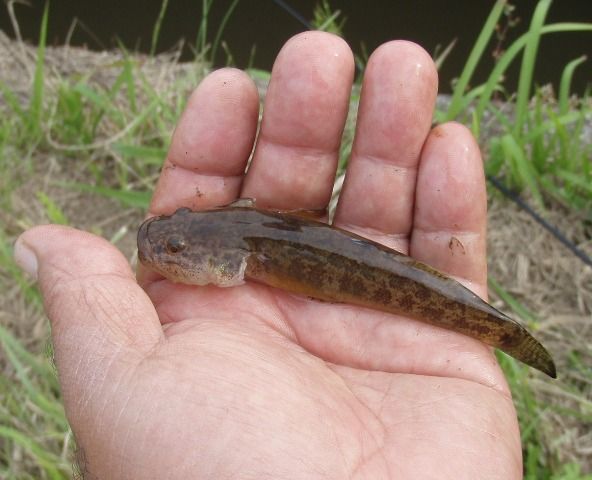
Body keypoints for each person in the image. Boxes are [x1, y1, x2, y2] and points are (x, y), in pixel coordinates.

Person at [14, 32, 521, 479]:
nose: (159, 251)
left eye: (176, 249)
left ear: (235, 261)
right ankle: (498, 330)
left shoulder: (244, 249)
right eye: (173, 241)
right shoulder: (239, 238)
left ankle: (501, 331)